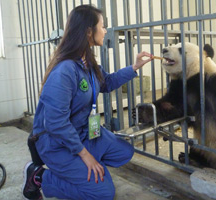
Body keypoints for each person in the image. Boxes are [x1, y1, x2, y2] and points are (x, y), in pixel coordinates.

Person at [22, 5, 152, 200]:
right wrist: (85, 155)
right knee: (103, 193)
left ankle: (80, 172)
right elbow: (56, 123)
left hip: (83, 132)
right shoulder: (64, 71)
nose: (106, 30)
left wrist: (135, 67)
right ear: (88, 31)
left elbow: (106, 83)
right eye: (103, 26)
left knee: (124, 151)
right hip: (56, 142)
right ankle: (39, 176)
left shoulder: (87, 63)